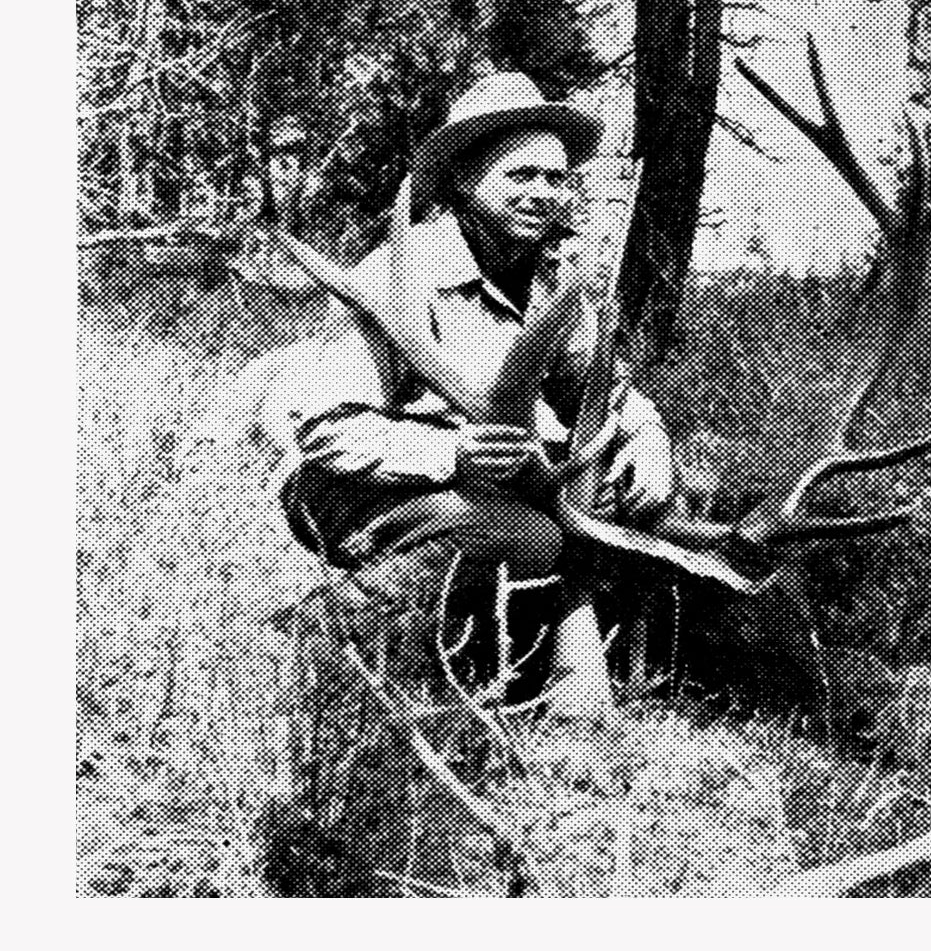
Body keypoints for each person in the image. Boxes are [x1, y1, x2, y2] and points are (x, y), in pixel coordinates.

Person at [280, 71, 675, 718]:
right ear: (464, 178)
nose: (543, 193)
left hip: (491, 485)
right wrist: (452, 454)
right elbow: (326, 430)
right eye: (521, 175)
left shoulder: (553, 283)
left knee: (633, 493)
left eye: (555, 178)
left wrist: (649, 436)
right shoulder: (398, 273)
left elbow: (603, 390)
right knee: (535, 538)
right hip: (363, 491)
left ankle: (552, 667)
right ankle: (339, 628)